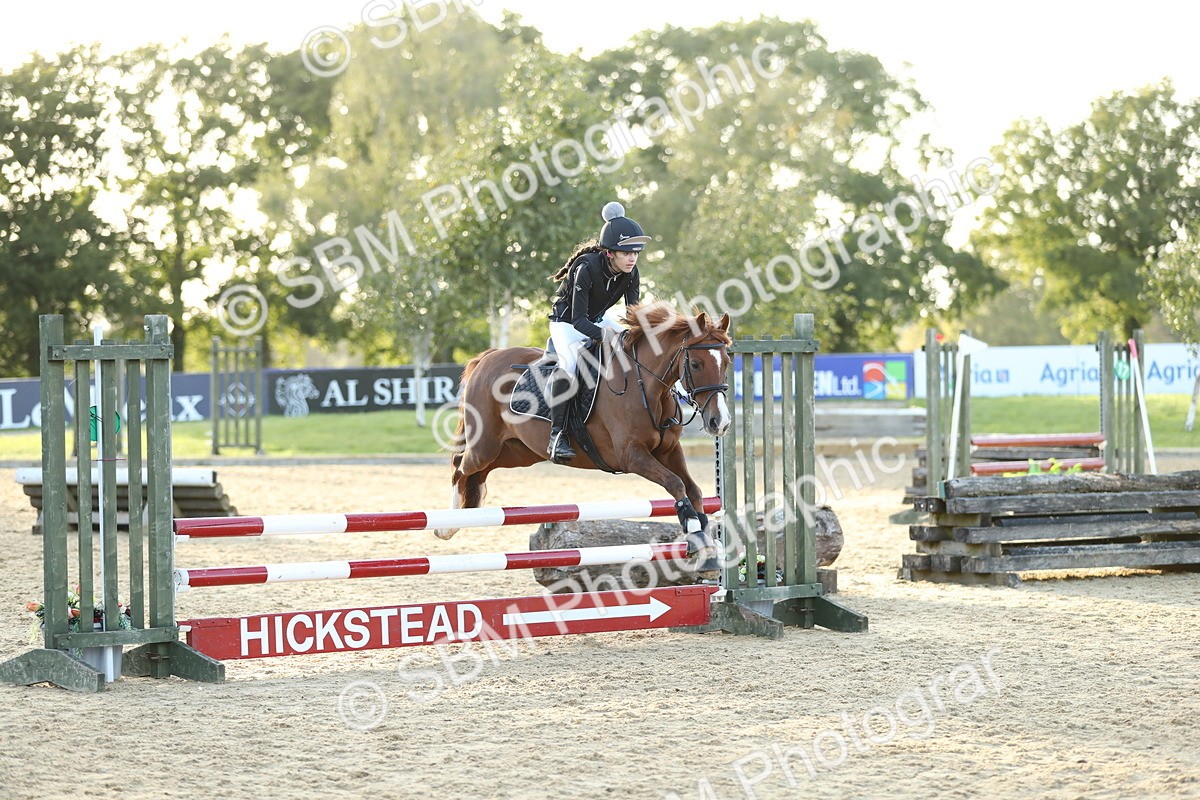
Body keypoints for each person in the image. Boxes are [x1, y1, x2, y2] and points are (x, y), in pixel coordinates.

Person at [545, 201, 651, 462]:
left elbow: (631, 315)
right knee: (569, 364)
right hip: (566, 324)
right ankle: (557, 436)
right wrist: (607, 336)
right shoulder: (586, 268)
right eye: (626, 253)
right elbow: (579, 321)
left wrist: (647, 332)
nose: (632, 258)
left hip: (598, 319)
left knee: (647, 344)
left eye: (635, 253)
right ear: (609, 253)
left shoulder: (631, 273)